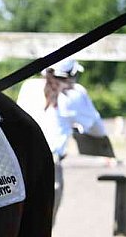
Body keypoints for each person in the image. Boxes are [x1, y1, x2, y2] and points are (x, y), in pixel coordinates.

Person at [16, 59, 107, 222]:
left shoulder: (28, 87)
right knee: (43, 225)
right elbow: (99, 130)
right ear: (72, 74)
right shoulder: (75, 93)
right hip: (48, 163)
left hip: (18, 160)